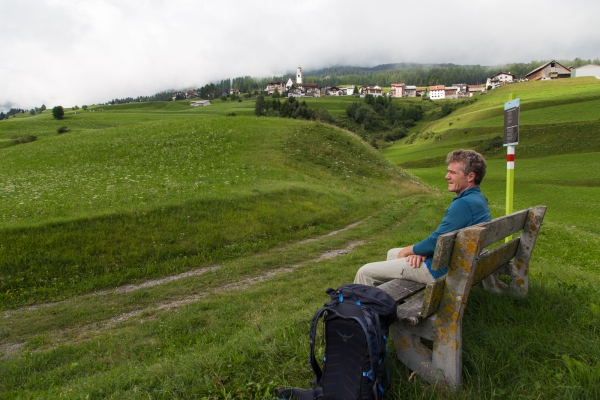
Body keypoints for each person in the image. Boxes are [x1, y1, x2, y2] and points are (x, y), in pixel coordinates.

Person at [354, 149, 492, 286]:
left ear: (470, 177)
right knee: (392, 253)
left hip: (441, 270)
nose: (447, 176)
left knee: (365, 271)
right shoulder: (477, 199)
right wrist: (421, 252)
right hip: (458, 263)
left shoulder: (463, 204)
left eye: (453, 172)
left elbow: (435, 242)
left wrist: (408, 251)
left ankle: (360, 307)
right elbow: (441, 241)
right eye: (447, 171)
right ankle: (389, 302)